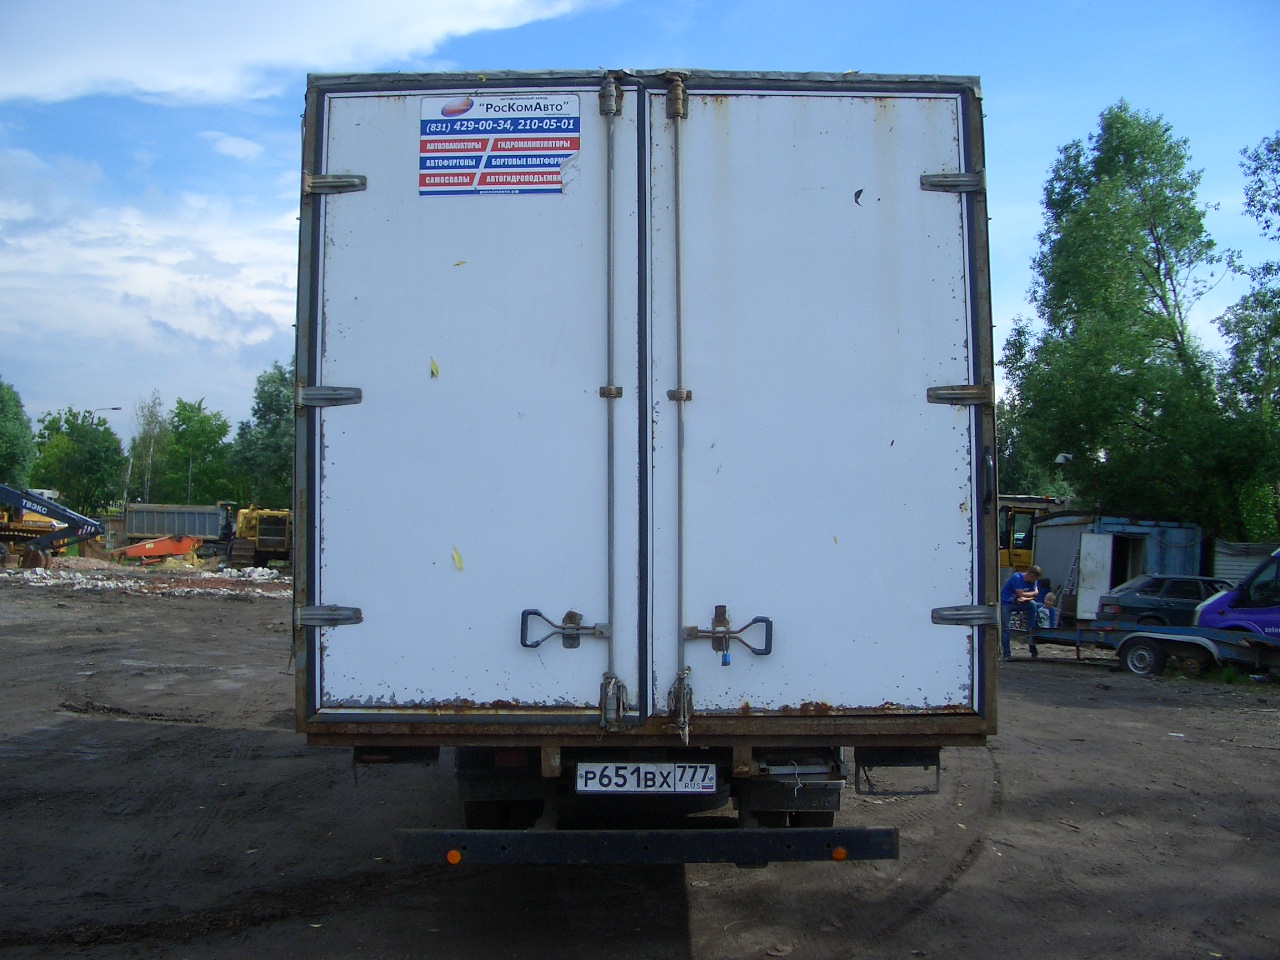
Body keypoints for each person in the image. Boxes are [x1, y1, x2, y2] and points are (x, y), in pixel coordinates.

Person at [1000, 565, 1042, 661]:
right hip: (1007, 602)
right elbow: (1021, 594)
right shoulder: (1016, 578)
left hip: (1021, 602)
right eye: (1035, 579)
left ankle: (1030, 632)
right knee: (1005, 628)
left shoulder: (1033, 581)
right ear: (1031, 575)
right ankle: (1007, 654)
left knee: (1032, 605)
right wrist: (1034, 593)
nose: (1035, 581)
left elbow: (1034, 596)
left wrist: (1026, 598)